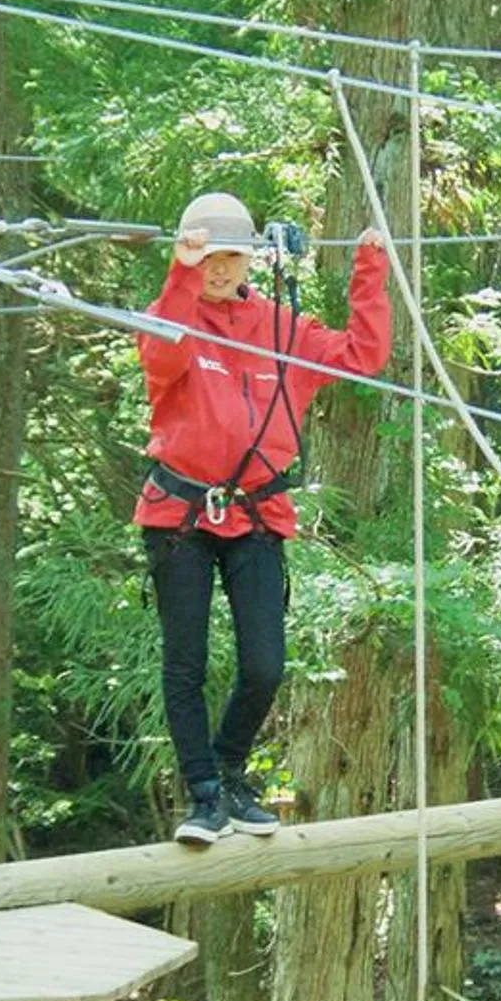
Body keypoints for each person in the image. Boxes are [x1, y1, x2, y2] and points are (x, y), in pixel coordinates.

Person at [136, 191, 392, 846]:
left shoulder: (285, 329)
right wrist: (180, 275)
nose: (220, 271)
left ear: (251, 259)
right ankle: (203, 796)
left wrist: (371, 269)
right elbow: (162, 354)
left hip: (255, 513)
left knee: (264, 665)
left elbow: (363, 355)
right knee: (184, 660)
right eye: (208, 260)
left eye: (230, 258)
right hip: (182, 516)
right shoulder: (175, 321)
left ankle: (229, 768)